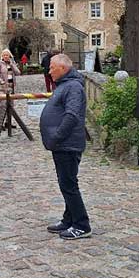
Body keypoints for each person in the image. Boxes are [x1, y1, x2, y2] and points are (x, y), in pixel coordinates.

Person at [39, 54, 91, 240]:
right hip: (62, 144)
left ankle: (81, 225)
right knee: (66, 183)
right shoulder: (65, 85)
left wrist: (56, 137)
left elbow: (72, 116)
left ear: (63, 68)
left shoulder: (73, 87)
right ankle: (69, 219)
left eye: (52, 67)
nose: (49, 71)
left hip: (67, 145)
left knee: (68, 185)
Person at [0, 49, 21, 129]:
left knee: (11, 105)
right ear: (2, 56)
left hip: (11, 87)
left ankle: (8, 122)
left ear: (10, 56)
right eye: (4, 55)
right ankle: (0, 123)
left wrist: (12, 65)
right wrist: (1, 81)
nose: (5, 56)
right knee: (3, 105)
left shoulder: (12, 63)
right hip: (2, 88)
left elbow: (18, 73)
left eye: (7, 55)